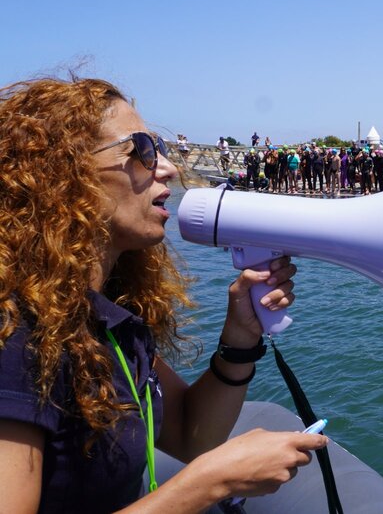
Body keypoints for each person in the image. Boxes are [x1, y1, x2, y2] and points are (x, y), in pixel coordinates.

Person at [0, 76, 326, 513]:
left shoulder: (107, 323)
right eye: (142, 150)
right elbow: (202, 464)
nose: (168, 168)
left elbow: (194, 435)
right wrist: (208, 484)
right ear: (64, 174)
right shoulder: (15, 332)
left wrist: (240, 337)